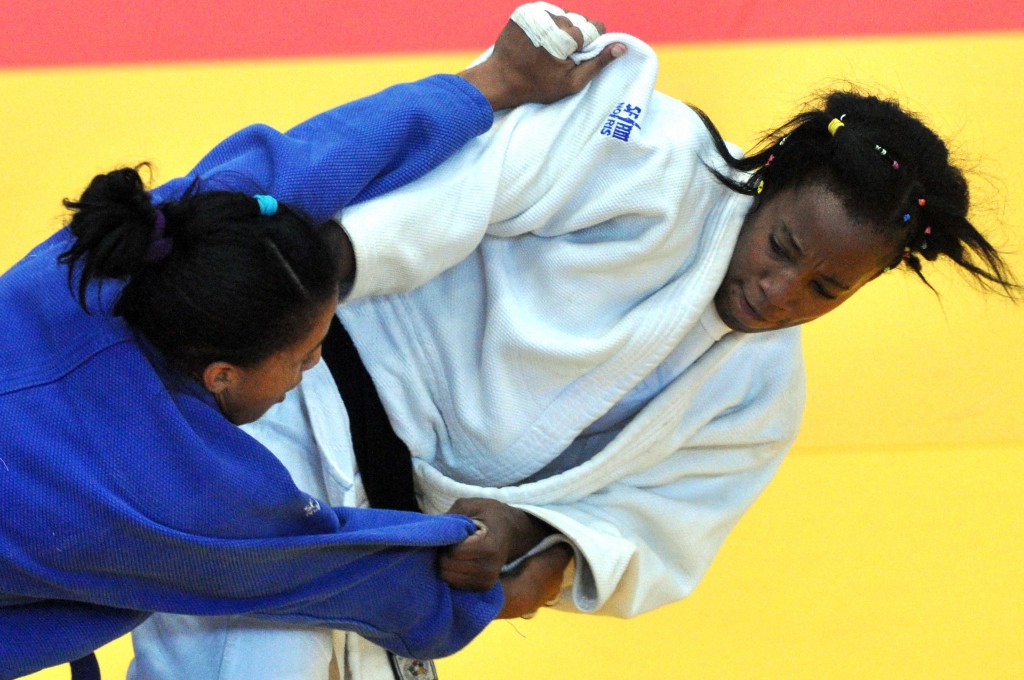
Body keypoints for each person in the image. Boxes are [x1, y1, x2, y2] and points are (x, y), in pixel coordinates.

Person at [131, 12, 1019, 680]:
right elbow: (476, 182)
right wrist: (304, 277)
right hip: (304, 393)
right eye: (782, 248)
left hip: (408, 543)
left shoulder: (758, 396)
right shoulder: (653, 158)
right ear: (770, 183)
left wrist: (531, 543)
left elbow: (648, 532)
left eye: (826, 290)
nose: (779, 293)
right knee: (247, 661)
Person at [0, 11, 623, 679]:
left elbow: (296, 165)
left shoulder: (111, 257)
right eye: (301, 358)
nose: (315, 366)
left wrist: (492, 81)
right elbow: (339, 569)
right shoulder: (187, 499)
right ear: (221, 375)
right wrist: (528, 570)